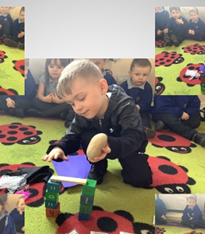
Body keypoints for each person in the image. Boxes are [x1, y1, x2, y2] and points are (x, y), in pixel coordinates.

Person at [42, 60, 153, 188]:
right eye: (71, 103)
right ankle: (98, 165)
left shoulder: (126, 105)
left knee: (140, 180)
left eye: (81, 98)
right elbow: (73, 135)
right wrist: (60, 147)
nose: (77, 107)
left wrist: (111, 144)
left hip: (126, 145)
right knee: (86, 136)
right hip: (99, 142)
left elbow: (134, 137)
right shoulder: (82, 112)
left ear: (102, 87)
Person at [120, 59, 155, 138]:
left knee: (144, 119)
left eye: (145, 75)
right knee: (124, 120)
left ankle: (145, 130)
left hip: (141, 111)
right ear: (130, 73)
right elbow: (120, 101)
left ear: (149, 75)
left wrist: (139, 107)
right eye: (137, 74)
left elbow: (147, 104)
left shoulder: (147, 88)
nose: (141, 77)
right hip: (126, 111)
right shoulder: (124, 86)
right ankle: (128, 130)